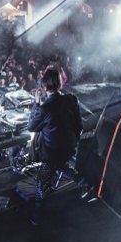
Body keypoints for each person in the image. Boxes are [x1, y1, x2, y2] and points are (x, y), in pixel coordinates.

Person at [27, 68, 83, 225]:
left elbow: (31, 127)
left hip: (51, 154)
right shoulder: (72, 99)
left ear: (44, 85)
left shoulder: (46, 107)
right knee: (63, 164)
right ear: (59, 82)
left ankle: (37, 218)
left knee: (41, 183)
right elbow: (79, 125)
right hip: (69, 149)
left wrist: (36, 102)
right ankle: (82, 180)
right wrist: (72, 142)